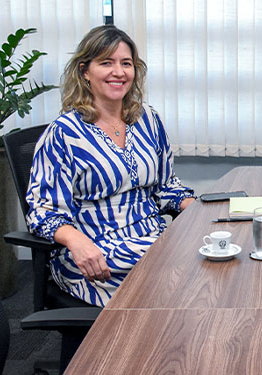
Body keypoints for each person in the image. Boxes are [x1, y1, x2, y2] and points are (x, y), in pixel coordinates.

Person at [25, 25, 195, 307]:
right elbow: (43, 211)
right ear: (84, 71)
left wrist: (199, 211)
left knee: (213, 257)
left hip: (151, 238)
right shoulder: (64, 134)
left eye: (126, 63)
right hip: (95, 252)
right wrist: (77, 242)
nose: (119, 72)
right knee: (185, 275)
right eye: (106, 62)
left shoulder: (148, 119)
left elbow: (166, 186)